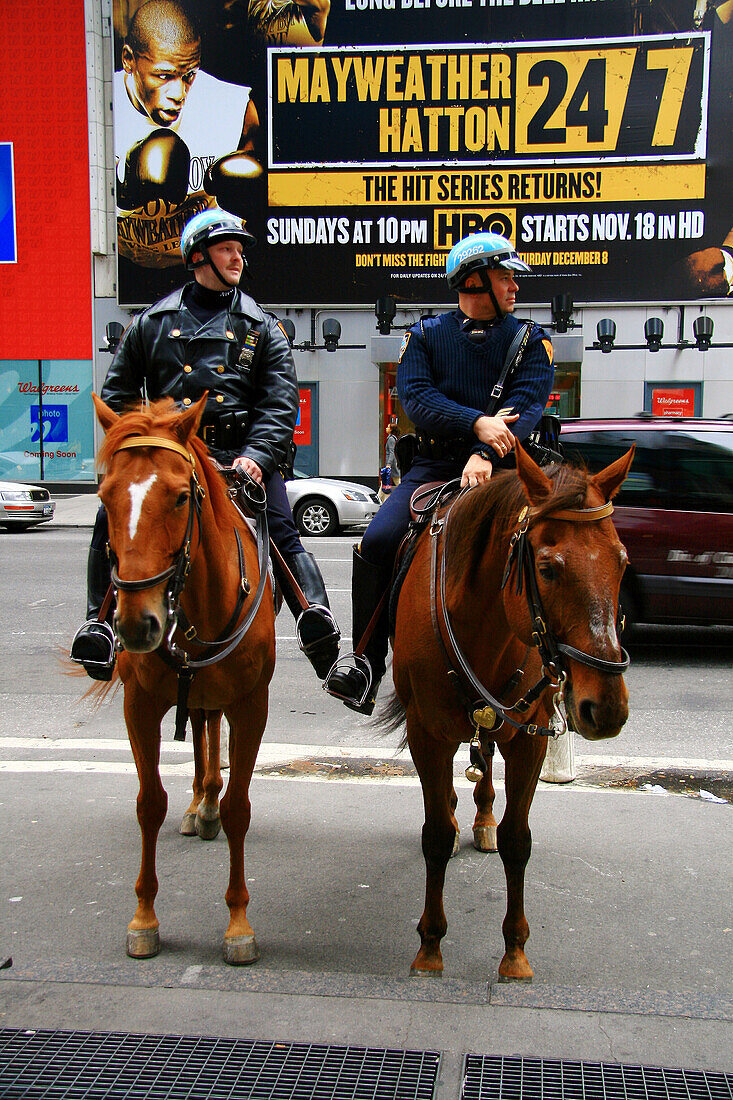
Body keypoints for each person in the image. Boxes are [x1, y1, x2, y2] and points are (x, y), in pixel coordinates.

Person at [70, 209, 339, 682]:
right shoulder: (150, 324)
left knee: (278, 525)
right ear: (198, 257)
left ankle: (315, 619)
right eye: (226, 249)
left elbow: (278, 405)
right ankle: (99, 624)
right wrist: (140, 449)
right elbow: (117, 398)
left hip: (239, 458)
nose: (237, 257)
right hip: (168, 455)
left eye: (240, 250)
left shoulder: (263, 327)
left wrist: (255, 459)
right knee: (109, 519)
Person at [325, 231, 555, 714]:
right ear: (474, 280)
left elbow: (526, 406)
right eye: (505, 276)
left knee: (563, 546)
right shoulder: (425, 337)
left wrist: (485, 454)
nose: (515, 286)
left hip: (508, 471)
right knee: (379, 540)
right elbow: (418, 401)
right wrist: (475, 422)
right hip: (431, 466)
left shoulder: (533, 342)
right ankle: (365, 662)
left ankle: (562, 671)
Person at [114, 0, 261, 270]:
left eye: (189, 75)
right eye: (163, 76)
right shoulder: (98, 110)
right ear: (129, 60)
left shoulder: (233, 107)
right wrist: (124, 193)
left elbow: (250, 211)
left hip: (204, 272)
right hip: (125, 273)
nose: (179, 93)